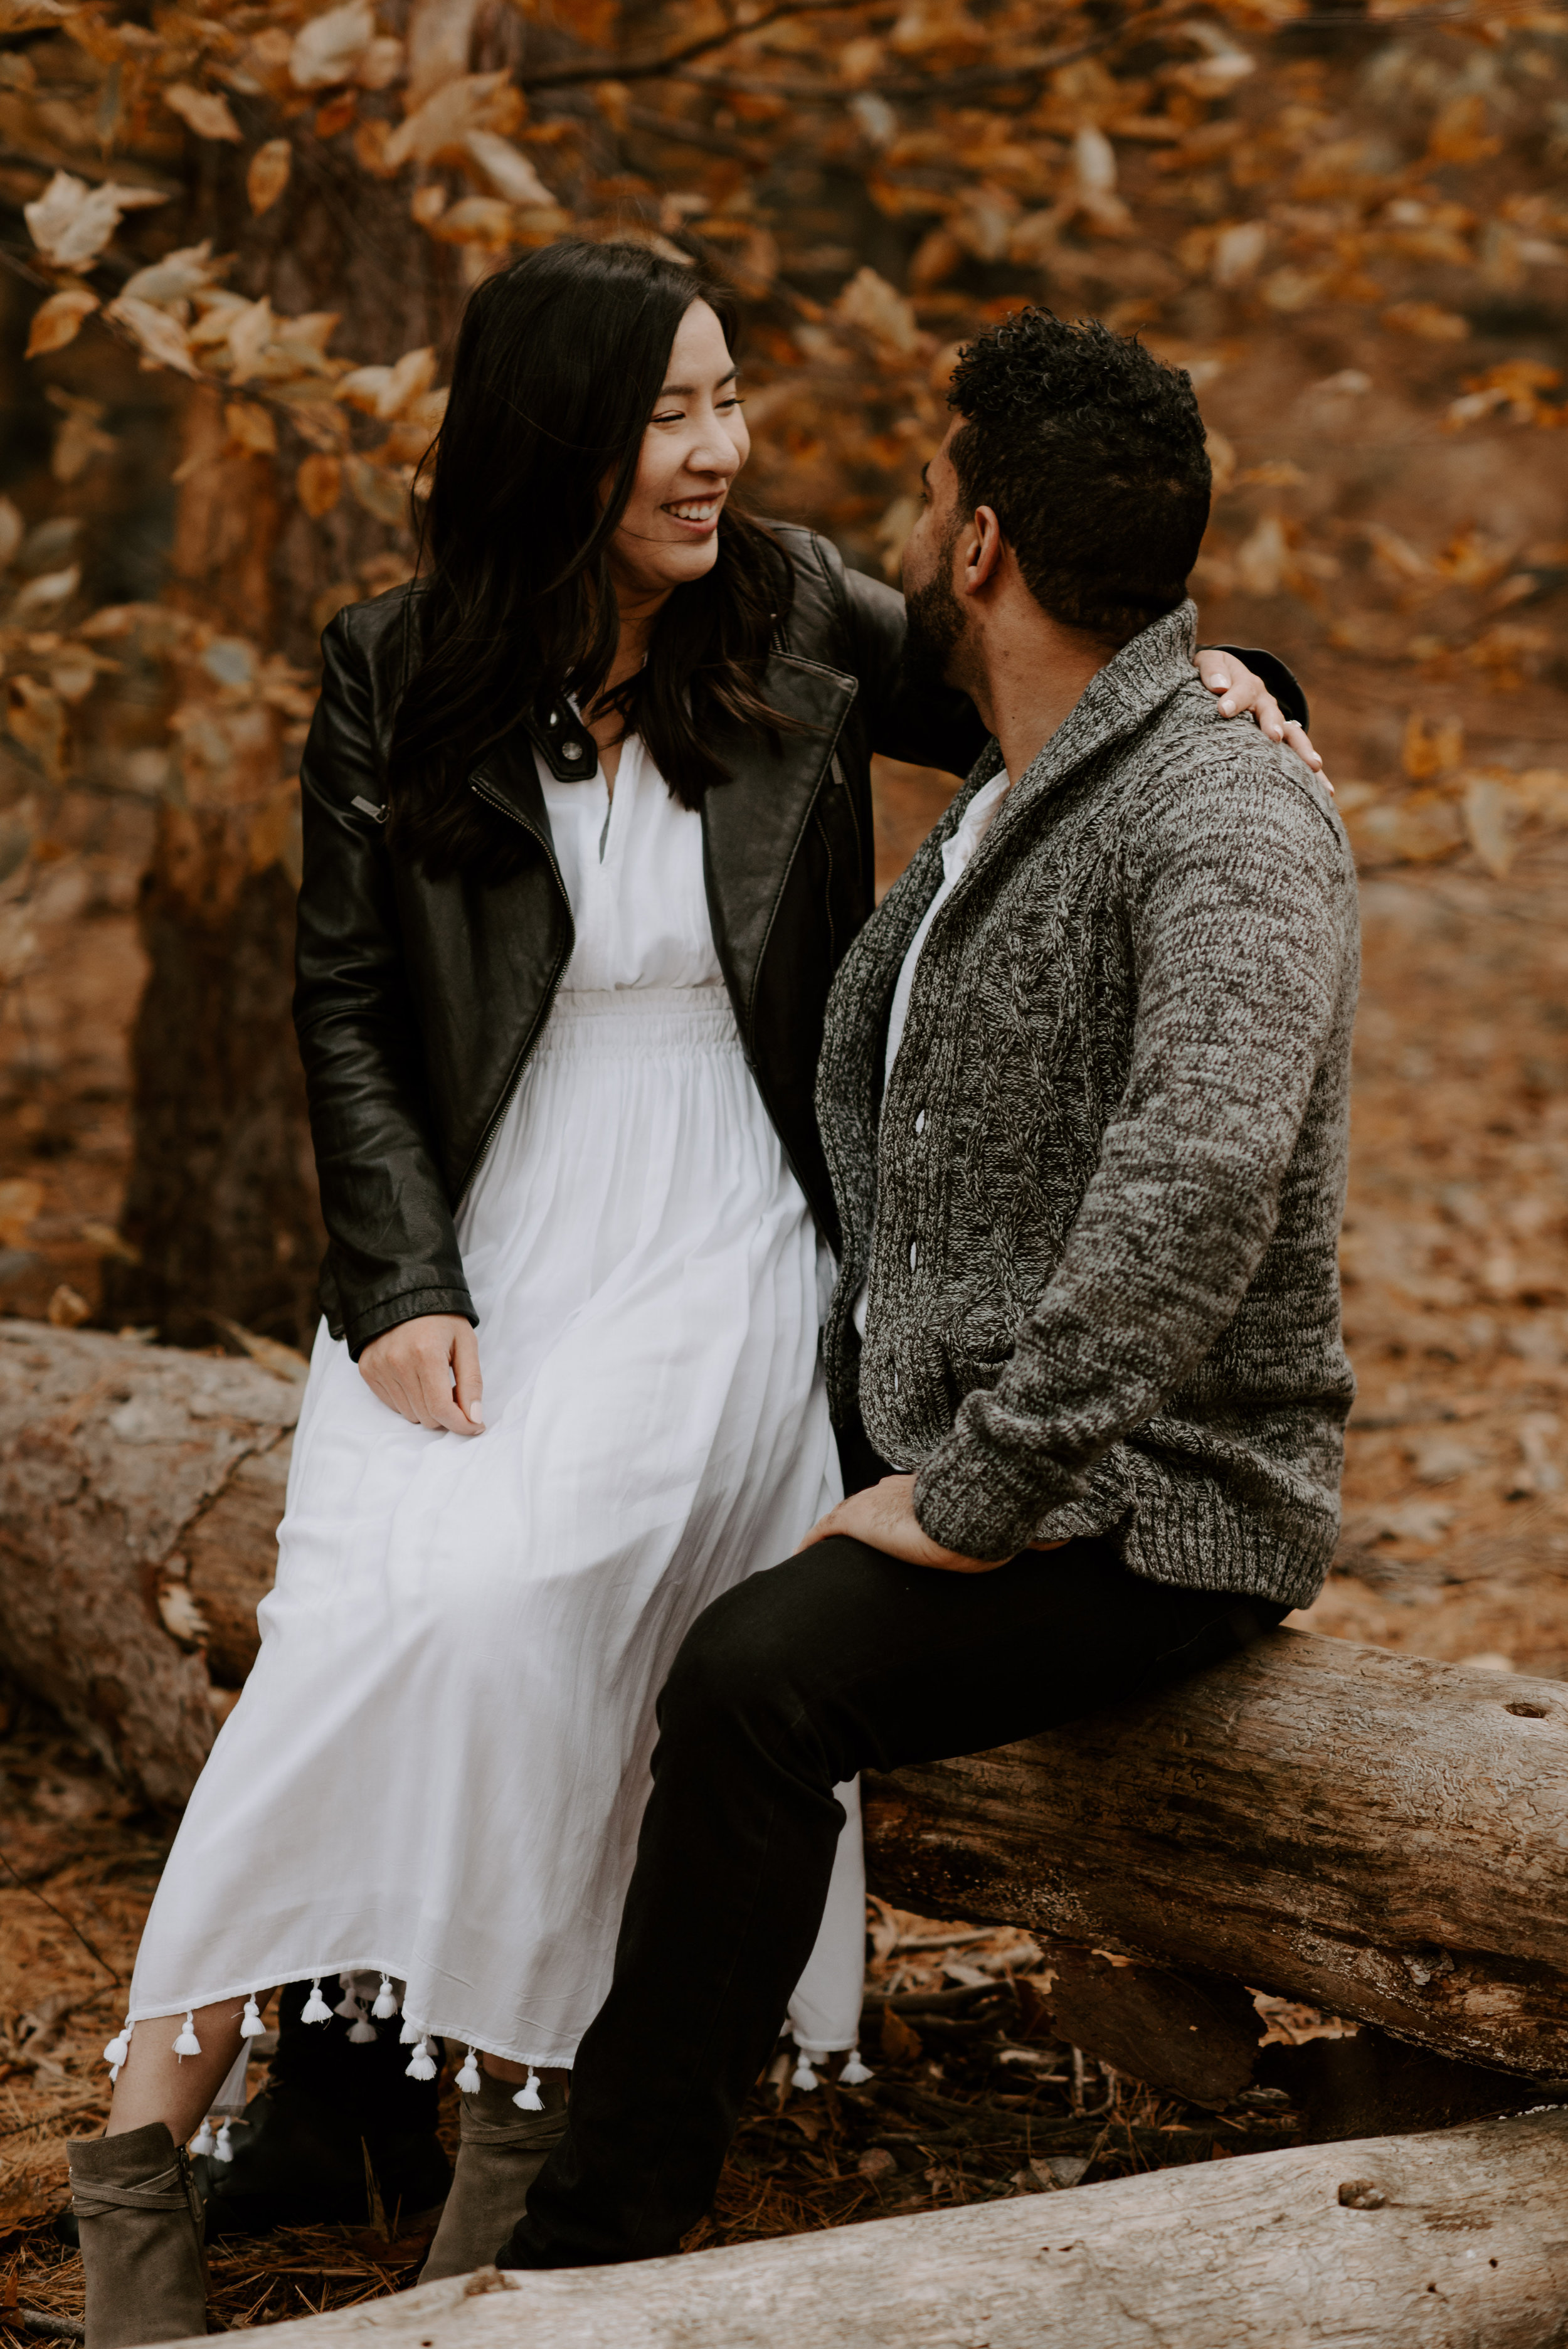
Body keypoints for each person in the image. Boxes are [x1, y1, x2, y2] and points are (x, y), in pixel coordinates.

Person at [65, 245, 1313, 2347]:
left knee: (548, 1598)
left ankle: (507, 2148)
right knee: (366, 1624)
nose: (720, 448)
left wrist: (1243, 665)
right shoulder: (394, 664)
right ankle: (150, 2175)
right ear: (558, 437)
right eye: (669, 411)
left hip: (727, 1213)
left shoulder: (802, 611)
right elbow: (351, 1001)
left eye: (728, 398)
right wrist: (394, 1277)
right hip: (482, 1227)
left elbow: (1063, 661)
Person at [495, 307, 1359, 2272]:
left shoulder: (1218, 812)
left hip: (1150, 1498)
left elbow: (1197, 1178)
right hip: (971, 1427)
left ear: (976, 545)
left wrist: (978, 1489)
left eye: (924, 482)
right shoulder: (1022, 777)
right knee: (563, 1541)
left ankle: (590, 2248)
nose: (902, 510)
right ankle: (397, 2078)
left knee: (753, 1676)